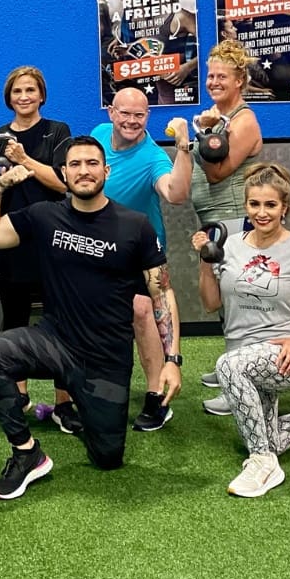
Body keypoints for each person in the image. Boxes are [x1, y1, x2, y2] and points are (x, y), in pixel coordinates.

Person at [0, 136, 183, 500]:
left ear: (106, 170)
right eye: (76, 165)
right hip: (54, 342)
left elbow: (161, 292)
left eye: (92, 163)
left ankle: (87, 407)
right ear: (64, 173)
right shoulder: (44, 216)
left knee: (108, 457)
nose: (84, 171)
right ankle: (26, 453)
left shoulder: (134, 225)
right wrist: (1, 186)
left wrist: (172, 359)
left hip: (106, 358)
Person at [193, 164, 290, 498]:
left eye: (270, 205)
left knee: (227, 367)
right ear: (246, 205)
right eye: (254, 205)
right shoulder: (232, 245)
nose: (261, 213)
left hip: (285, 354)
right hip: (243, 355)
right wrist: (206, 264)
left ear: (284, 208)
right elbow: (210, 304)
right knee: (269, 435)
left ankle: (263, 463)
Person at [0, 65, 79, 433]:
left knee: (62, 321)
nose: (24, 97)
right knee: (13, 320)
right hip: (10, 241)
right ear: (9, 97)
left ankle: (65, 404)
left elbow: (63, 184)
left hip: (55, 240)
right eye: (18, 91)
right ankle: (17, 398)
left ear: (41, 95)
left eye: (31, 90)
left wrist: (24, 160)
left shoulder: (58, 133)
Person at [90, 85, 191, 431]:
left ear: (148, 116)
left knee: (144, 312)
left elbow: (175, 193)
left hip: (141, 251)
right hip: (101, 248)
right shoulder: (99, 135)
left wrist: (183, 148)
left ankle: (156, 396)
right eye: (125, 113)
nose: (132, 121)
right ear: (112, 113)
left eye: (140, 115)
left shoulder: (152, 158)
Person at [192, 39, 264, 414]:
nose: (214, 82)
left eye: (222, 76)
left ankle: (241, 385)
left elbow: (219, 173)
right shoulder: (219, 118)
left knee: (236, 303)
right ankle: (231, 369)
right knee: (225, 305)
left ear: (240, 80)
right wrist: (207, 129)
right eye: (210, 75)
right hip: (216, 219)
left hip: (235, 219)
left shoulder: (244, 120)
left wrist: (200, 138)